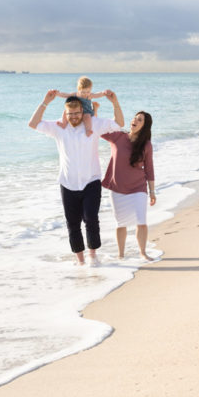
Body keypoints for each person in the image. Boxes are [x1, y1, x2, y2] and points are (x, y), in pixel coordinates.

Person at [29, 89, 124, 266]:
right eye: (70, 113)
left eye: (77, 113)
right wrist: (45, 102)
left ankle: (93, 257)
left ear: (83, 111)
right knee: (72, 224)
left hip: (91, 181)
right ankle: (80, 262)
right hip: (67, 183)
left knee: (91, 219)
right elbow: (33, 124)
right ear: (66, 113)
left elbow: (119, 123)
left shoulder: (93, 124)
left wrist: (115, 102)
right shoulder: (58, 128)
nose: (74, 116)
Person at [101, 111, 157, 260]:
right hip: (117, 187)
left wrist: (152, 192)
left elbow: (149, 169)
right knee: (121, 223)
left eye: (140, 120)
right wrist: (92, 109)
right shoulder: (118, 136)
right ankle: (121, 255)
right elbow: (98, 129)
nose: (135, 121)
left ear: (144, 126)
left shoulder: (146, 145)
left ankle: (143, 253)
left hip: (138, 187)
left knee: (141, 221)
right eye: (135, 118)